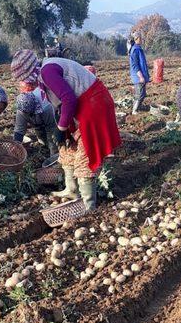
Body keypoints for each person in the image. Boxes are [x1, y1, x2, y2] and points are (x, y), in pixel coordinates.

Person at [11, 49, 121, 211]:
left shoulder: (47, 71)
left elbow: (68, 99)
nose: (27, 84)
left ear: (29, 72)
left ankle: (89, 205)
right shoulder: (43, 72)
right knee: (67, 148)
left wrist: (61, 128)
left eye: (25, 79)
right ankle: (72, 190)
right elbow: (63, 103)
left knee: (85, 154)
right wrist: (64, 129)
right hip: (81, 105)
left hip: (93, 104)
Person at [13, 91, 59, 158]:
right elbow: (19, 130)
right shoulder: (21, 110)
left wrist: (53, 151)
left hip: (51, 119)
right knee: (41, 137)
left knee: (53, 141)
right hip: (37, 123)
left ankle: (54, 157)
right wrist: (16, 145)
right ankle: (44, 147)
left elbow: (51, 130)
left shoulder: (46, 108)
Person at [128, 32, 150, 114]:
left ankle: (138, 107)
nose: (142, 39)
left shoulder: (138, 48)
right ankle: (135, 110)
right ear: (136, 39)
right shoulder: (135, 50)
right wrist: (140, 76)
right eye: (140, 38)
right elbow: (135, 65)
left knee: (142, 93)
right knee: (140, 94)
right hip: (138, 76)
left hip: (141, 75)